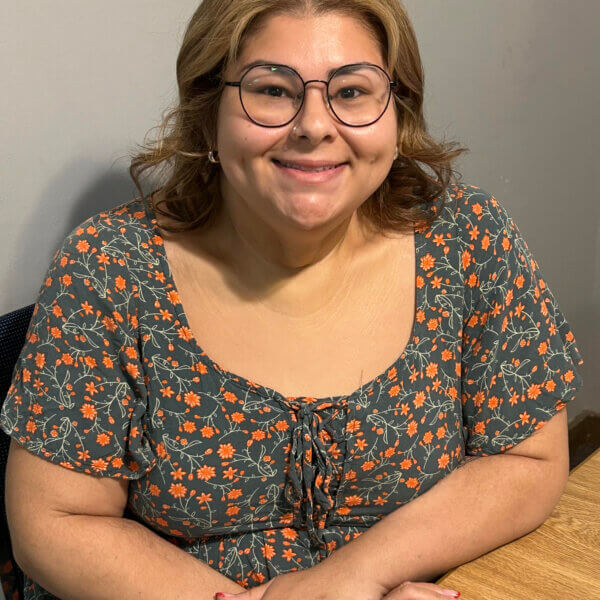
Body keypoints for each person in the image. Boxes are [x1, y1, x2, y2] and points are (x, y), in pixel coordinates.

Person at [1, 1, 583, 599]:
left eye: (351, 91)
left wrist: (350, 578)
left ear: (397, 112)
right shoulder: (110, 265)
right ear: (208, 113)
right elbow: (55, 522)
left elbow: (528, 461)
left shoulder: (467, 238)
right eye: (273, 90)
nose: (314, 126)